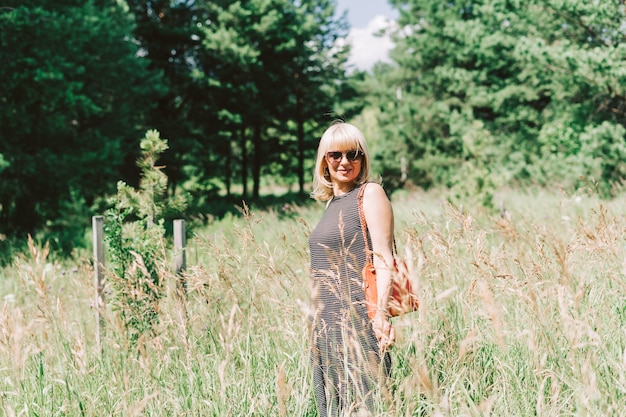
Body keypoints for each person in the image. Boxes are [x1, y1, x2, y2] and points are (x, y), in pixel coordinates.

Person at [308, 121, 396, 416]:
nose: (345, 162)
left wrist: (380, 315)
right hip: (326, 326)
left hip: (358, 321)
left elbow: (384, 257)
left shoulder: (369, 194)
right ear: (324, 160)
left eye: (353, 154)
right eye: (336, 155)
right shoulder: (333, 203)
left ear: (363, 158)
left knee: (364, 404)